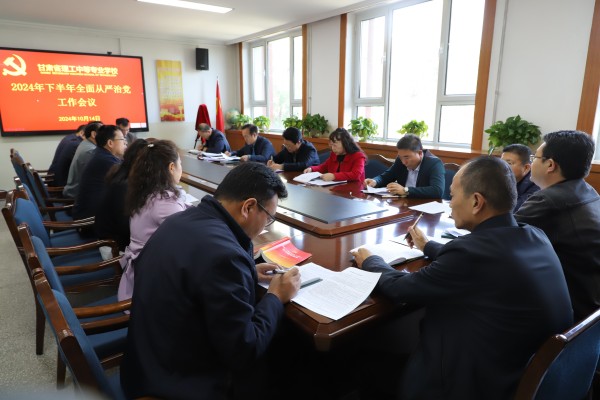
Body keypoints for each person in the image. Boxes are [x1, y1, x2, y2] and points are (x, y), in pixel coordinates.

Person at [352, 156, 573, 400]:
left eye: (453, 195)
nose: (450, 205)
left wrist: (371, 260)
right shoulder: (534, 235)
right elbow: (485, 258)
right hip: (528, 370)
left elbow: (400, 288)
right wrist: (427, 246)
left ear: (476, 201)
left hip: (475, 382)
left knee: (361, 359)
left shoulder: (470, 254)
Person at [121, 162, 300, 399]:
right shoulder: (224, 256)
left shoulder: (180, 220)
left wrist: (247, 271)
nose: (266, 225)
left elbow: (200, 271)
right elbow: (245, 349)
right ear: (248, 207)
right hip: (180, 384)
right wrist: (276, 296)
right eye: (269, 218)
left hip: (145, 364)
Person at [515, 130, 600, 322]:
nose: (532, 162)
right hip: (592, 309)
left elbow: (500, 236)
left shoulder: (548, 200)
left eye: (534, 158)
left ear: (550, 165)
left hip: (575, 312)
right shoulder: (588, 191)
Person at [117, 140, 192, 301]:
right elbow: (189, 237)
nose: (181, 168)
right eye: (180, 163)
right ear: (171, 167)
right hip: (152, 283)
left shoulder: (147, 191)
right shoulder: (164, 202)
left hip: (144, 269)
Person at [94, 138, 149, 252]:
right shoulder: (124, 185)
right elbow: (126, 229)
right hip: (113, 248)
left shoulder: (121, 172)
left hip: (114, 240)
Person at [73, 125, 127, 220]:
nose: (125, 143)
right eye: (122, 139)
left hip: (92, 213)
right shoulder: (106, 161)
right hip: (90, 220)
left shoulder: (101, 154)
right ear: (110, 143)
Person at [364, 134, 444, 197]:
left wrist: (405, 190)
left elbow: (437, 190)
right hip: (404, 204)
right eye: (400, 157)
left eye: (407, 157)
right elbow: (386, 176)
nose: (403, 162)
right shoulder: (401, 160)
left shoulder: (434, 163)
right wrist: (375, 181)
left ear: (420, 153)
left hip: (425, 207)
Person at [63, 121, 102, 198]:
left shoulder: (85, 144)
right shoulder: (90, 150)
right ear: (94, 134)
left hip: (76, 190)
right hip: (77, 194)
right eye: (103, 133)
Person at [501, 143, 539, 211]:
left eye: (509, 163)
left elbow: (514, 211)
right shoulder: (501, 178)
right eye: (501, 162)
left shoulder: (535, 186)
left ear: (526, 168)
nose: (502, 167)